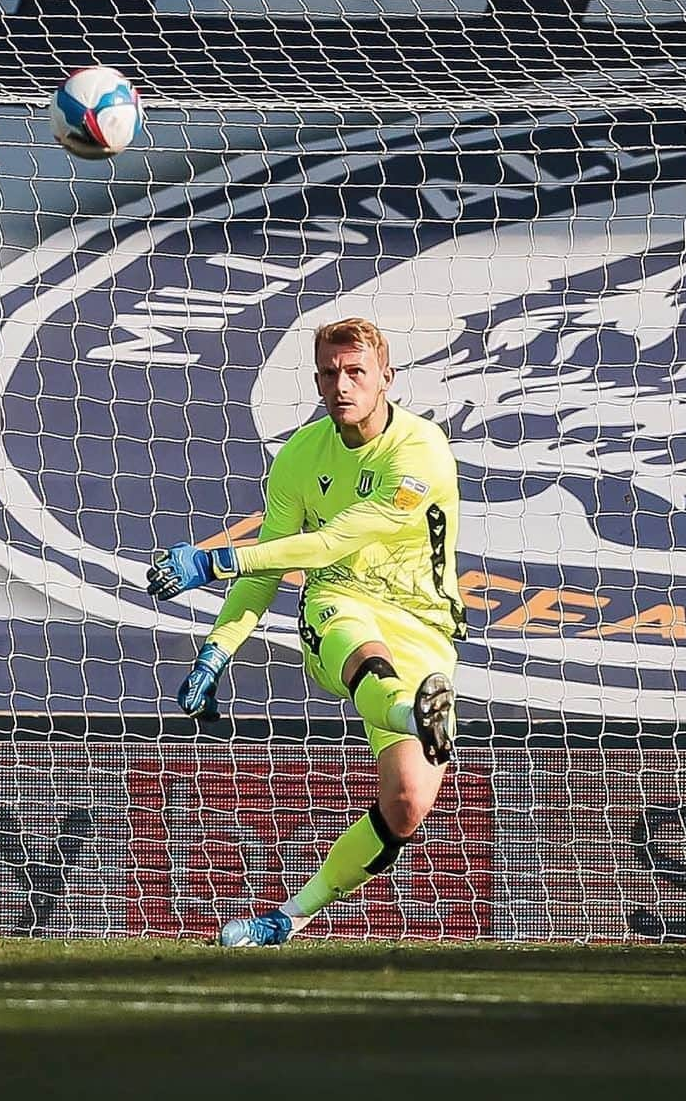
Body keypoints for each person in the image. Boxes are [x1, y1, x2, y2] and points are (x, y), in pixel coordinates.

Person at [146, 316, 465, 947]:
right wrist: (216, 653)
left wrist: (214, 560)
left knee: (405, 804)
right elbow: (285, 566)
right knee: (352, 631)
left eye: (356, 373)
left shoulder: (421, 449)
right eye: (329, 373)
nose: (341, 386)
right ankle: (409, 713)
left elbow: (336, 536)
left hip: (425, 629)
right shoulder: (299, 457)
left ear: (385, 379)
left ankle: (287, 918)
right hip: (341, 605)